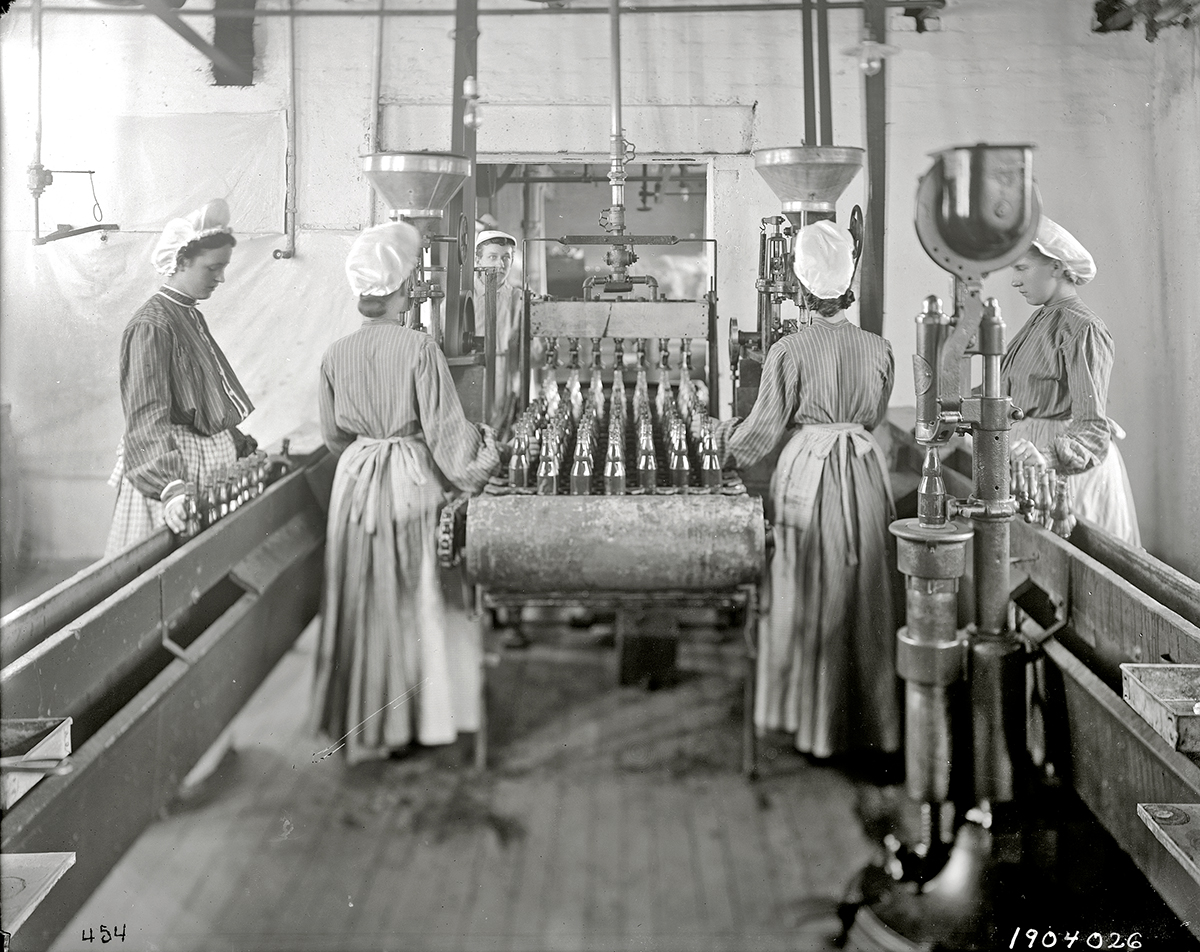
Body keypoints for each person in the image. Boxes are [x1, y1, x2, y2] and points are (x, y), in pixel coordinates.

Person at [699, 219, 899, 763]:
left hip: (809, 474)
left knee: (810, 589)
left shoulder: (788, 350)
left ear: (800, 285)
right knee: (864, 591)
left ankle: (814, 725)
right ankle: (872, 722)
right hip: (863, 473)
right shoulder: (879, 348)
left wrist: (714, 446)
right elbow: (875, 418)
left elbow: (762, 431)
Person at [311, 221, 504, 764]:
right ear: (404, 289)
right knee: (415, 599)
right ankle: (417, 723)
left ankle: (364, 722)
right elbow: (446, 435)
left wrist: (363, 457)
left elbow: (331, 436)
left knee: (362, 599)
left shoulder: (334, 353)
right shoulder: (419, 348)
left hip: (354, 483)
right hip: (409, 480)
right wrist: (486, 456)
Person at [104, 198, 257, 558]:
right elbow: (146, 418)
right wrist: (171, 487)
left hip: (202, 464)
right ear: (181, 261)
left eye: (224, 268)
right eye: (212, 268)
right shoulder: (151, 325)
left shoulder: (188, 315)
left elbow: (206, 397)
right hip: (174, 470)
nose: (221, 278)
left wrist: (238, 445)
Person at [1005, 217, 1140, 545]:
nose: (1014, 281)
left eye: (1021, 268)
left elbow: (1093, 428)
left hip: (1065, 472)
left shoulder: (1083, 328)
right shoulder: (1044, 318)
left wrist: (1048, 458)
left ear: (1055, 267)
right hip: (1029, 460)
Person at [471, 229, 523, 424]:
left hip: (506, 377)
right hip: (471, 374)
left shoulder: (518, 299)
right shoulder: (463, 297)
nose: (500, 265)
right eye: (492, 257)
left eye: (506, 258)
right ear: (478, 261)